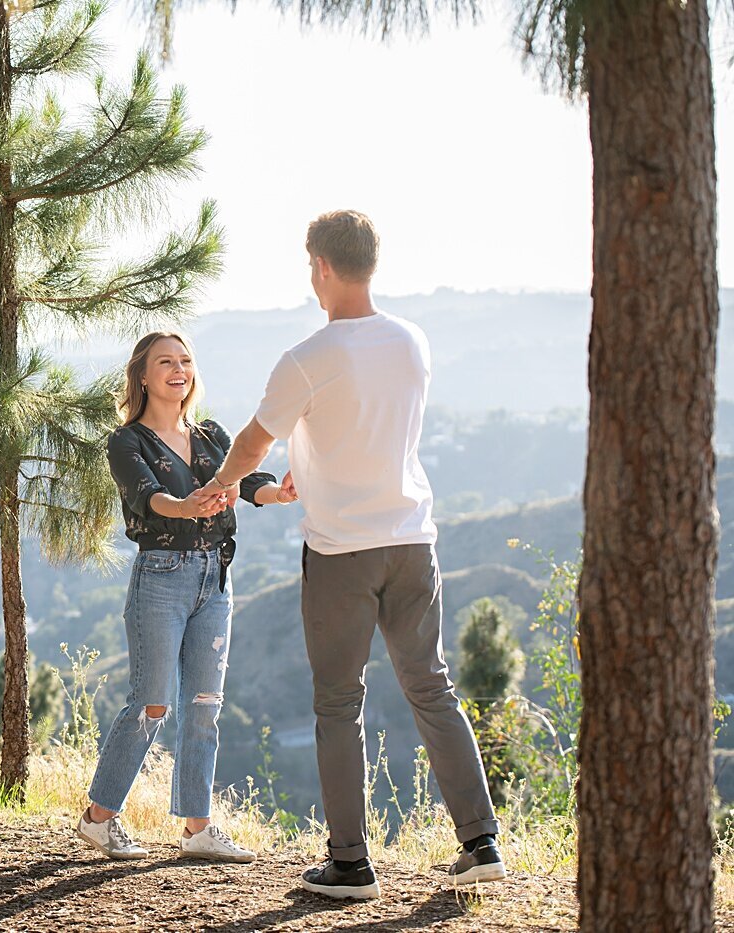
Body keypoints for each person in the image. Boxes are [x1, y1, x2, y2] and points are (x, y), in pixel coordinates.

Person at [201, 210, 506, 898]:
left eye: (312, 267)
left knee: (339, 702)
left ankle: (349, 862)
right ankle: (480, 840)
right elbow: (368, 426)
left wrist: (220, 487)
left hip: (343, 552)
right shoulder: (413, 341)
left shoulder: (309, 356)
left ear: (323, 268)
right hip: (412, 541)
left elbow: (252, 444)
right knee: (431, 687)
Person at [76, 330, 297, 863]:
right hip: (161, 576)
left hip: (214, 580)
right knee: (153, 704)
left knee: (203, 706)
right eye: (165, 362)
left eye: (186, 361)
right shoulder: (126, 441)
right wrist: (188, 506)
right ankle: (99, 819)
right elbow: (148, 499)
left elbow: (248, 481)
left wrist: (279, 493)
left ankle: (198, 830)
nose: (179, 369)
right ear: (143, 375)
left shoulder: (211, 433)